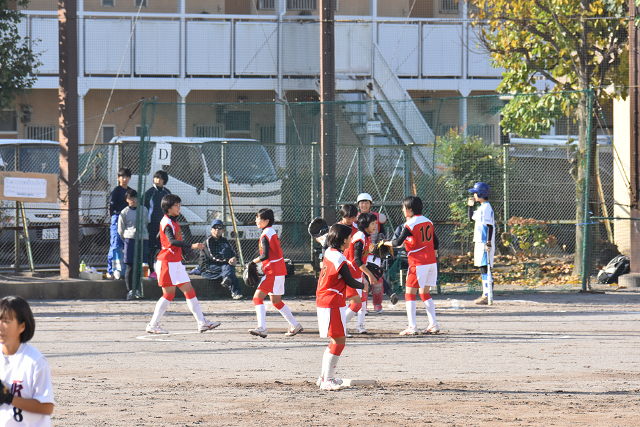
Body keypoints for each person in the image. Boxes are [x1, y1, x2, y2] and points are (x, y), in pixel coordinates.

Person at [145, 194, 221, 334]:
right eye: (176, 205)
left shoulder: (174, 221)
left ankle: (202, 322)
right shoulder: (167, 222)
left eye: (179, 204)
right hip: (167, 262)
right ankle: (152, 325)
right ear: (168, 208)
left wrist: (184, 250)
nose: (179, 207)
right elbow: (172, 241)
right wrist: (191, 246)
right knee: (169, 294)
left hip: (176, 262)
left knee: (189, 290)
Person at [316, 224, 368, 391]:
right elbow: (350, 281)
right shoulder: (339, 257)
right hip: (331, 301)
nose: (351, 239)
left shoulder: (330, 252)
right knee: (339, 341)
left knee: (335, 340)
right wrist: (366, 285)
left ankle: (324, 377)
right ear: (343, 239)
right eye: (349, 237)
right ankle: (327, 380)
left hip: (328, 300)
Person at [385, 196, 440, 335]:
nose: (403, 209)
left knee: (409, 294)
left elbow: (397, 243)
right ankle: (433, 324)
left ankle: (412, 327)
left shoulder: (410, 224)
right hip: (431, 262)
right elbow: (436, 243)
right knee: (424, 293)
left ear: (410, 209)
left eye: (404, 207)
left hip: (418, 263)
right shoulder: (428, 221)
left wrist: (384, 243)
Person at [0, 296, 55, 426]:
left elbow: (47, 407)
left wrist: (9, 398)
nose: (0, 326)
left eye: (6, 321)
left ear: (22, 326)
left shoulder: (35, 361)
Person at [248, 208, 302, 338]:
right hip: (278, 270)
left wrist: (252, 262)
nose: (256, 220)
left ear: (267, 221)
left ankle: (261, 328)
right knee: (276, 301)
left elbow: (265, 255)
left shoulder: (266, 234)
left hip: (272, 271)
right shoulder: (271, 231)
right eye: (256, 217)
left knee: (257, 298)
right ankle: (294, 324)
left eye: (258, 218)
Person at [356, 193, 397, 311]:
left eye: (366, 202)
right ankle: (362, 307)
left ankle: (377, 305)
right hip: (361, 253)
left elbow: (381, 232)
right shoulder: (355, 218)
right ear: (358, 205)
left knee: (377, 281)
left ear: (370, 204)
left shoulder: (377, 217)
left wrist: (380, 242)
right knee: (362, 281)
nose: (364, 205)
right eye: (361, 202)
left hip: (374, 254)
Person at [343, 212, 378, 335]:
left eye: (375, 223)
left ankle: (360, 325)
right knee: (356, 304)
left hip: (357, 273)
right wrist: (370, 274)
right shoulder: (360, 237)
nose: (375, 225)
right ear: (365, 225)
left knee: (362, 301)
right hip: (351, 274)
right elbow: (357, 260)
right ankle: (339, 327)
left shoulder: (366, 236)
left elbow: (362, 258)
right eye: (372, 223)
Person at [198, 219, 243, 300]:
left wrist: (234, 258)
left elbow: (233, 252)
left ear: (222, 230)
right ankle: (235, 292)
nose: (217, 230)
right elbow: (212, 257)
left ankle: (227, 279)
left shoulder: (225, 240)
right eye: (215, 228)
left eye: (219, 228)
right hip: (208, 268)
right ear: (211, 230)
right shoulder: (208, 242)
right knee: (229, 269)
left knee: (229, 268)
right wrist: (228, 261)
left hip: (222, 267)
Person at [118, 189, 149, 300]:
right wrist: (128, 236)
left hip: (142, 239)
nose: (133, 200)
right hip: (130, 240)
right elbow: (120, 230)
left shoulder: (144, 210)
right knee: (130, 266)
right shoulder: (124, 212)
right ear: (127, 200)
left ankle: (138, 290)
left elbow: (146, 222)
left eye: (134, 197)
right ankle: (130, 290)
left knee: (139, 266)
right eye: (130, 198)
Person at [468, 182, 495, 305]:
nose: (474, 195)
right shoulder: (481, 207)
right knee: (482, 267)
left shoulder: (487, 208)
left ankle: (487, 294)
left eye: (475, 193)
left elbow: (489, 226)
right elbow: (470, 218)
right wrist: (470, 206)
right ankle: (486, 293)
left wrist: (488, 242)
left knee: (485, 267)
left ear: (481, 193)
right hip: (479, 241)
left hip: (484, 241)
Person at [144, 170, 171, 280]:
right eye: (156, 177)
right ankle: (152, 270)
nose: (157, 180)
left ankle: (163, 269)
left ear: (164, 180)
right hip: (153, 224)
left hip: (164, 225)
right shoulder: (150, 192)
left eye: (160, 178)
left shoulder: (167, 193)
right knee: (151, 248)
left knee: (164, 247)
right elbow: (145, 207)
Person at [107, 168, 131, 279]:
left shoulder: (130, 192)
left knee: (125, 246)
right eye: (122, 177)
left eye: (126, 177)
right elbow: (111, 208)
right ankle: (111, 271)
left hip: (128, 221)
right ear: (118, 178)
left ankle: (122, 271)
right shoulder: (116, 191)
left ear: (129, 178)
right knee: (115, 245)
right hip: (117, 219)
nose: (124, 179)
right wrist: (115, 219)